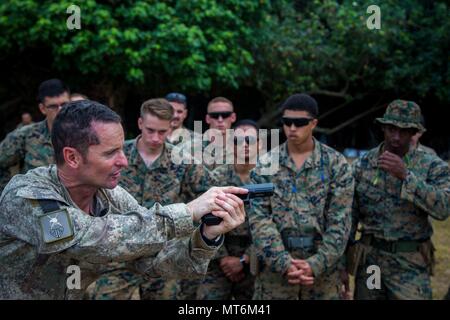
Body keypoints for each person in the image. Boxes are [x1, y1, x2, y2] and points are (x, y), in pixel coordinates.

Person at [0, 100, 247, 299]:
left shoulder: (111, 197)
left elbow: (152, 258)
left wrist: (206, 235)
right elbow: (85, 238)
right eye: (110, 153)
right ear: (72, 158)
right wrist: (187, 211)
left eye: (121, 149)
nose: (124, 161)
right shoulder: (28, 195)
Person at [89, 98, 218, 300]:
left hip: (162, 254)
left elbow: (206, 197)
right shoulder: (117, 156)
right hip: (119, 251)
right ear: (140, 123)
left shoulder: (183, 161)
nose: (156, 138)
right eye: (150, 130)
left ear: (171, 126)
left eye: (162, 132)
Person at [249, 93, 354, 300]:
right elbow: (258, 218)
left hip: (322, 276)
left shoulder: (336, 165)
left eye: (300, 122)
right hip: (276, 276)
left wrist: (315, 264)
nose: (292, 128)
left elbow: (340, 222)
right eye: (287, 122)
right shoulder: (264, 165)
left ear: (313, 123)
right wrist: (284, 263)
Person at [350, 100, 450, 300]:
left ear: (414, 132)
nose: (396, 137)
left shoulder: (432, 166)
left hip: (409, 264)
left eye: (403, 131)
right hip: (372, 263)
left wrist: (407, 176)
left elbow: (443, 208)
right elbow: (349, 214)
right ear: (383, 128)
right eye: (391, 129)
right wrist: (344, 264)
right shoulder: (363, 164)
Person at [197, 120, 261, 300]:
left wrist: (245, 259)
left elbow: (275, 224)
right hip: (218, 253)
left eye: (250, 140)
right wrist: (224, 259)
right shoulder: (216, 177)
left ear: (260, 143)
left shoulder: (271, 179)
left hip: (258, 255)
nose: (245, 145)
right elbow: (204, 219)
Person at [0, 79, 70, 174]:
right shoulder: (25, 135)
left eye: (64, 104)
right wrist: (9, 187)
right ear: (42, 108)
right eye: (53, 106)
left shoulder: (85, 134)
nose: (60, 110)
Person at [202, 97, 237, 170]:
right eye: (215, 115)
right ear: (208, 119)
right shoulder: (191, 148)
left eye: (225, 115)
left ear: (233, 117)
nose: (220, 120)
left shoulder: (243, 149)